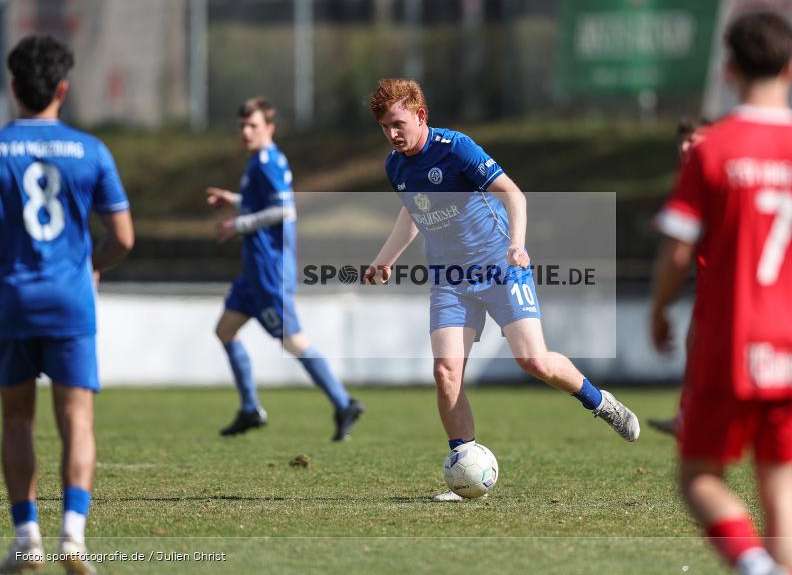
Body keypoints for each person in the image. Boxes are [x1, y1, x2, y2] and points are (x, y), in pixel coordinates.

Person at [650, 11, 792, 575]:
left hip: (730, 340)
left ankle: (754, 566)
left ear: (728, 70)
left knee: (698, 476)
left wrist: (658, 309)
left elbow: (678, 251)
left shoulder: (713, 149)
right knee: (781, 489)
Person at [365, 78, 640, 502]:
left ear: (421, 115)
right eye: (385, 127)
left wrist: (516, 244)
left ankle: (599, 401)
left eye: (398, 123)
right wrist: (386, 259)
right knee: (445, 372)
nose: (392, 134)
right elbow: (413, 213)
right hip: (449, 280)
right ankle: (464, 466)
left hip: (499, 268)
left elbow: (514, 195)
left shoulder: (456, 148)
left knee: (533, 360)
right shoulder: (396, 166)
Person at [0, 34, 134, 574]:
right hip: (70, 302)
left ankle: (26, 535)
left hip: (11, 301)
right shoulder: (91, 151)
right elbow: (123, 239)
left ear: (14, 89)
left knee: (15, 420)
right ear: (63, 88)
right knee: (76, 418)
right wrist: (92, 263)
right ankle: (72, 537)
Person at [207, 97, 363, 441]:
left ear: (270, 128)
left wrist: (239, 223)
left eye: (254, 126)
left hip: (270, 273)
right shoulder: (259, 163)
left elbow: (284, 211)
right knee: (225, 330)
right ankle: (250, 409)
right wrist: (233, 201)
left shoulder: (267, 162)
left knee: (294, 342)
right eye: (242, 126)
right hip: (253, 273)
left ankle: (343, 402)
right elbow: (264, 203)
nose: (246, 132)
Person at [648, 117, 709, 437]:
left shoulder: (711, 173)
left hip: (725, 276)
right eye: (682, 141)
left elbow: (678, 248)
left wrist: (659, 308)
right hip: (711, 277)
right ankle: (688, 415)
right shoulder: (689, 175)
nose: (687, 146)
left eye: (695, 139)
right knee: (695, 341)